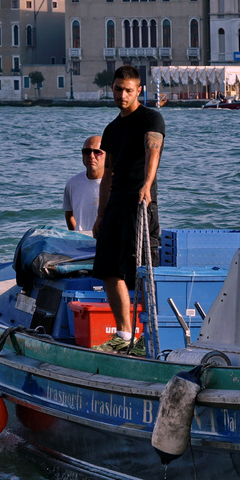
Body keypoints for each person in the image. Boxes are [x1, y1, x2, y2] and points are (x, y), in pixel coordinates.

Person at [91, 65, 164, 352]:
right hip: (115, 205)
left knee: (143, 270)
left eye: (129, 90)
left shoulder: (151, 118)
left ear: (139, 91)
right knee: (109, 270)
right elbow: (107, 174)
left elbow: (153, 151)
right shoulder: (111, 129)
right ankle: (124, 335)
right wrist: (100, 214)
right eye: (118, 89)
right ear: (112, 88)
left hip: (140, 203)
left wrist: (146, 185)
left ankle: (151, 334)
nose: (123, 95)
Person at [62, 136, 103, 233]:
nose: (91, 156)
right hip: (81, 243)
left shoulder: (115, 184)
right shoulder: (72, 183)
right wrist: (78, 235)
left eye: (97, 152)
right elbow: (69, 214)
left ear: (107, 155)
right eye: (87, 152)